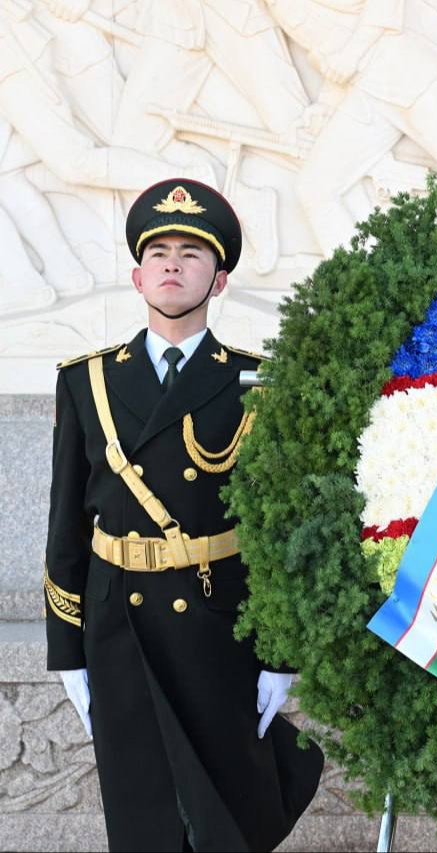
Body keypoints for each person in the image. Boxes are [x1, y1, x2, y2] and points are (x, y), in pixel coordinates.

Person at [44, 178, 323, 851]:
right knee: (142, 807)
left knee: (232, 806)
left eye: (191, 254)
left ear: (218, 281)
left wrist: (280, 655)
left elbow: (281, 531)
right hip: (120, 622)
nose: (173, 265)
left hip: (218, 619)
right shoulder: (87, 380)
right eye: (159, 253)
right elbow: (66, 526)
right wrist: (66, 652)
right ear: (138, 277)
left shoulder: (261, 383)